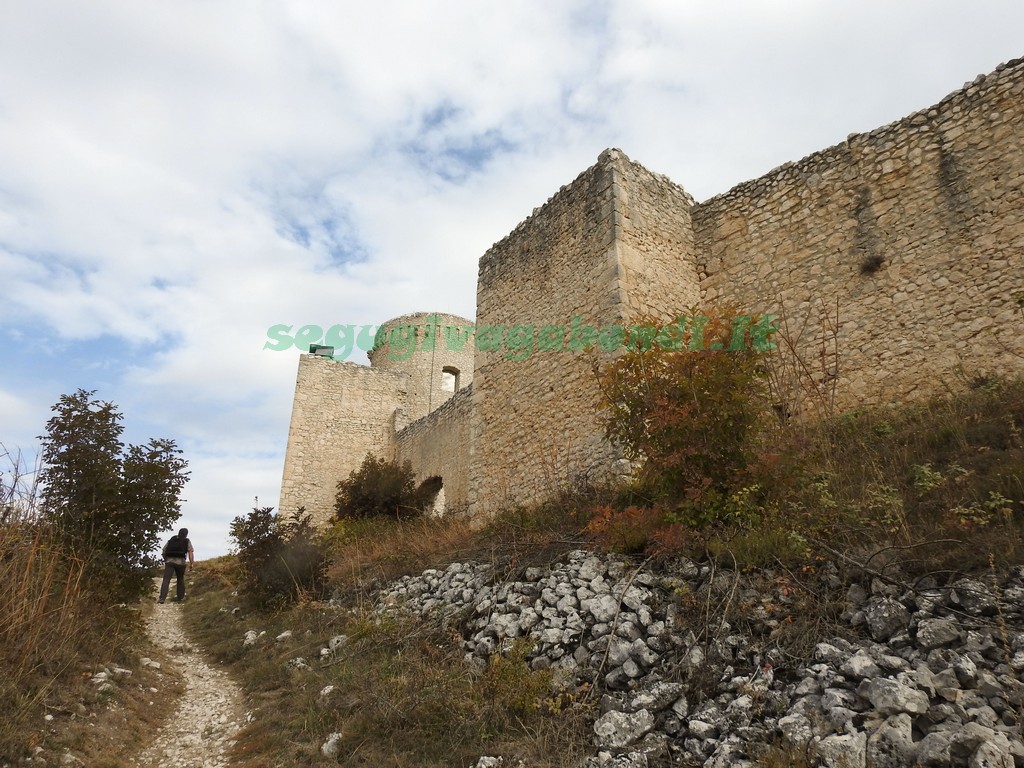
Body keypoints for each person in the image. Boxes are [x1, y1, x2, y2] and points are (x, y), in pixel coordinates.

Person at [158, 527, 195, 604]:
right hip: (180, 562)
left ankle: (162, 598)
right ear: (186, 534)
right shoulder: (186, 541)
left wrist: (166, 559)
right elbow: (190, 552)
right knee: (180, 579)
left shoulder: (172, 540)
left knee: (166, 579)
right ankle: (180, 597)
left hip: (169, 562)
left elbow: (164, 550)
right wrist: (191, 563)